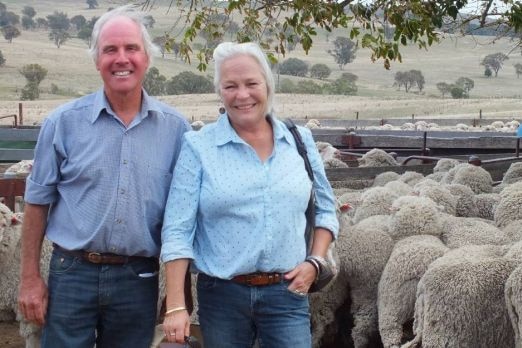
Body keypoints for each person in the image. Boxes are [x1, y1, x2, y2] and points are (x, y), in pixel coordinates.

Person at [17, 5, 190, 348]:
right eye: (110, 50)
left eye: (131, 48)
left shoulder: (176, 130)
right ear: (97, 60)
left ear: (147, 58)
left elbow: (181, 216)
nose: (121, 58)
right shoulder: (62, 123)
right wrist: (29, 278)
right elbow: (37, 203)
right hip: (71, 273)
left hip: (138, 276)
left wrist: (179, 297)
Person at [161, 41, 339, 347]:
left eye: (251, 83)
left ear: (268, 85)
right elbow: (178, 229)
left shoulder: (299, 141)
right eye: (230, 85)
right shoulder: (198, 147)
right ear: (219, 91)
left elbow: (325, 210)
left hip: (288, 292)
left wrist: (315, 261)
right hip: (222, 296)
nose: (242, 95)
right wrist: (176, 306)